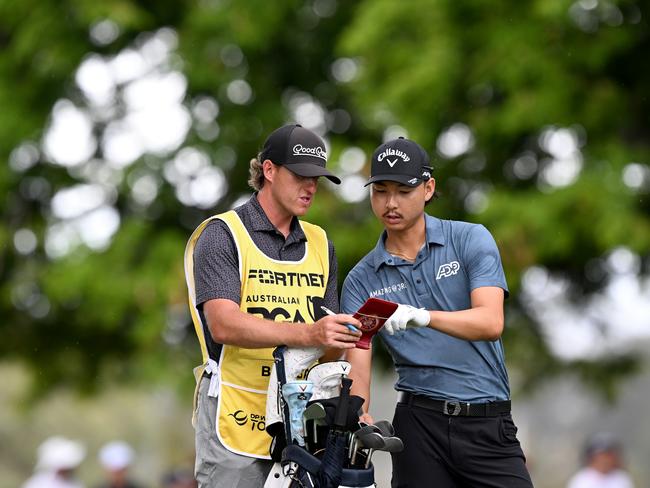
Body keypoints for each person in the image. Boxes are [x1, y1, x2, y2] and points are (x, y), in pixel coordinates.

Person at [341, 136, 534, 487]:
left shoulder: (469, 240)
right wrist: (361, 412)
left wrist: (423, 316)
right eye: (380, 191)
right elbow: (359, 356)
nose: (390, 203)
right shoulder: (362, 279)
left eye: (403, 190)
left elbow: (491, 321)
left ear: (428, 188)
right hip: (418, 428)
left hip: (487, 424)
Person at [183, 123, 362, 487]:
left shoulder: (320, 242)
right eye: (300, 175)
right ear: (269, 170)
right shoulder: (221, 234)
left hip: (301, 425)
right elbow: (224, 324)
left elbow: (326, 341)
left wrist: (343, 338)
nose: (310, 187)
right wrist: (310, 333)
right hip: (236, 420)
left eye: (317, 178)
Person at [566, 432, 634, 488]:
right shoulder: (580, 481)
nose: (604, 460)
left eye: (608, 456)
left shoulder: (622, 479)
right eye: (600, 456)